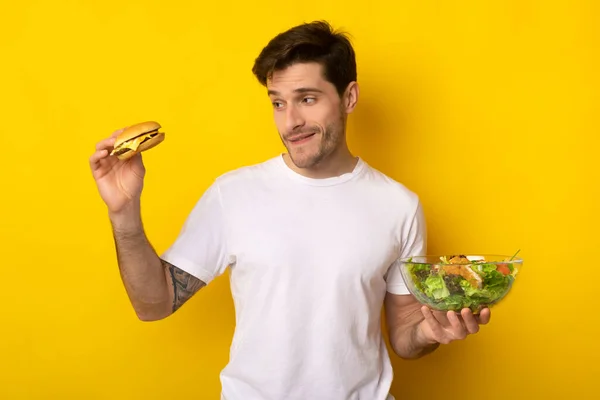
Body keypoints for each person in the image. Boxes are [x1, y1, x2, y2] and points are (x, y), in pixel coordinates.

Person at [89, 20, 490, 400]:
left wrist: (431, 331)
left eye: (307, 99)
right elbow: (154, 304)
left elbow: (404, 333)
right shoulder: (234, 194)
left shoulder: (399, 205)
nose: (290, 121)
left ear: (349, 97)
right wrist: (124, 214)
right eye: (278, 103)